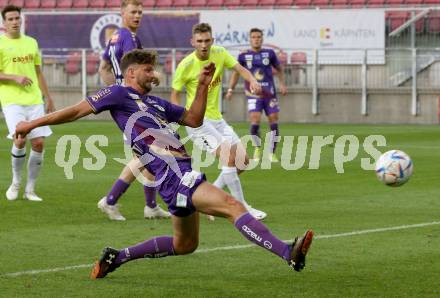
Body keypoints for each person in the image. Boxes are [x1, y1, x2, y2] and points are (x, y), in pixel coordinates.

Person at [15, 49, 314, 279]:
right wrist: (32, 124)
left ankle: (117, 257)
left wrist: (204, 87)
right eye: (148, 69)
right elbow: (77, 110)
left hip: (178, 175)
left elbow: (194, 119)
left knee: (185, 245)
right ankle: (288, 252)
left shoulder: (157, 104)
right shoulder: (119, 93)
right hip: (174, 175)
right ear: (131, 72)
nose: (154, 74)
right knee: (233, 206)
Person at [171, 23, 266, 221]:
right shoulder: (186, 65)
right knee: (230, 160)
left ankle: (209, 197)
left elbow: (240, 69)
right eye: (199, 41)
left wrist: (253, 81)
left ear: (212, 41)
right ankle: (243, 209)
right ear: (192, 42)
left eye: (207, 40)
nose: (203, 45)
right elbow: (175, 95)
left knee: (243, 161)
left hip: (217, 119)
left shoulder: (220, 53)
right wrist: (181, 118)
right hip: (198, 123)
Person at [98, 0, 169, 221]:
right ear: (122, 13)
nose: (137, 15)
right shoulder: (129, 37)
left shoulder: (114, 37)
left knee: (150, 152)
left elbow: (103, 68)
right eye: (133, 12)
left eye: (140, 12)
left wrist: (116, 93)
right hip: (133, 105)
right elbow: (135, 67)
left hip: (127, 102)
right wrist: (153, 76)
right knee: (148, 153)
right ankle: (110, 201)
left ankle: (151, 206)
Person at [0, 5, 55, 202]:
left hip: (34, 100)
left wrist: (47, 97)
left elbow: (38, 72)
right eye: (10, 19)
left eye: (17, 18)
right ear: (4, 22)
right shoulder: (0, 44)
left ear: (21, 20)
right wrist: (14, 78)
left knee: (39, 143)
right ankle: (16, 182)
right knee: (20, 138)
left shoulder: (31, 42)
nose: (15, 22)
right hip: (12, 100)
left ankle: (30, 189)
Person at [226, 28, 287, 162]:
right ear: (250, 39)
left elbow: (280, 69)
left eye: (259, 37)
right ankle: (258, 148)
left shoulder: (269, 53)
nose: (256, 39)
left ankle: (271, 153)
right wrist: (230, 89)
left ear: (262, 38)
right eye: (253, 37)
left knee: (274, 119)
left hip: (269, 94)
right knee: (255, 120)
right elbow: (236, 73)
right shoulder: (243, 56)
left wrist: (282, 84)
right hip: (253, 94)